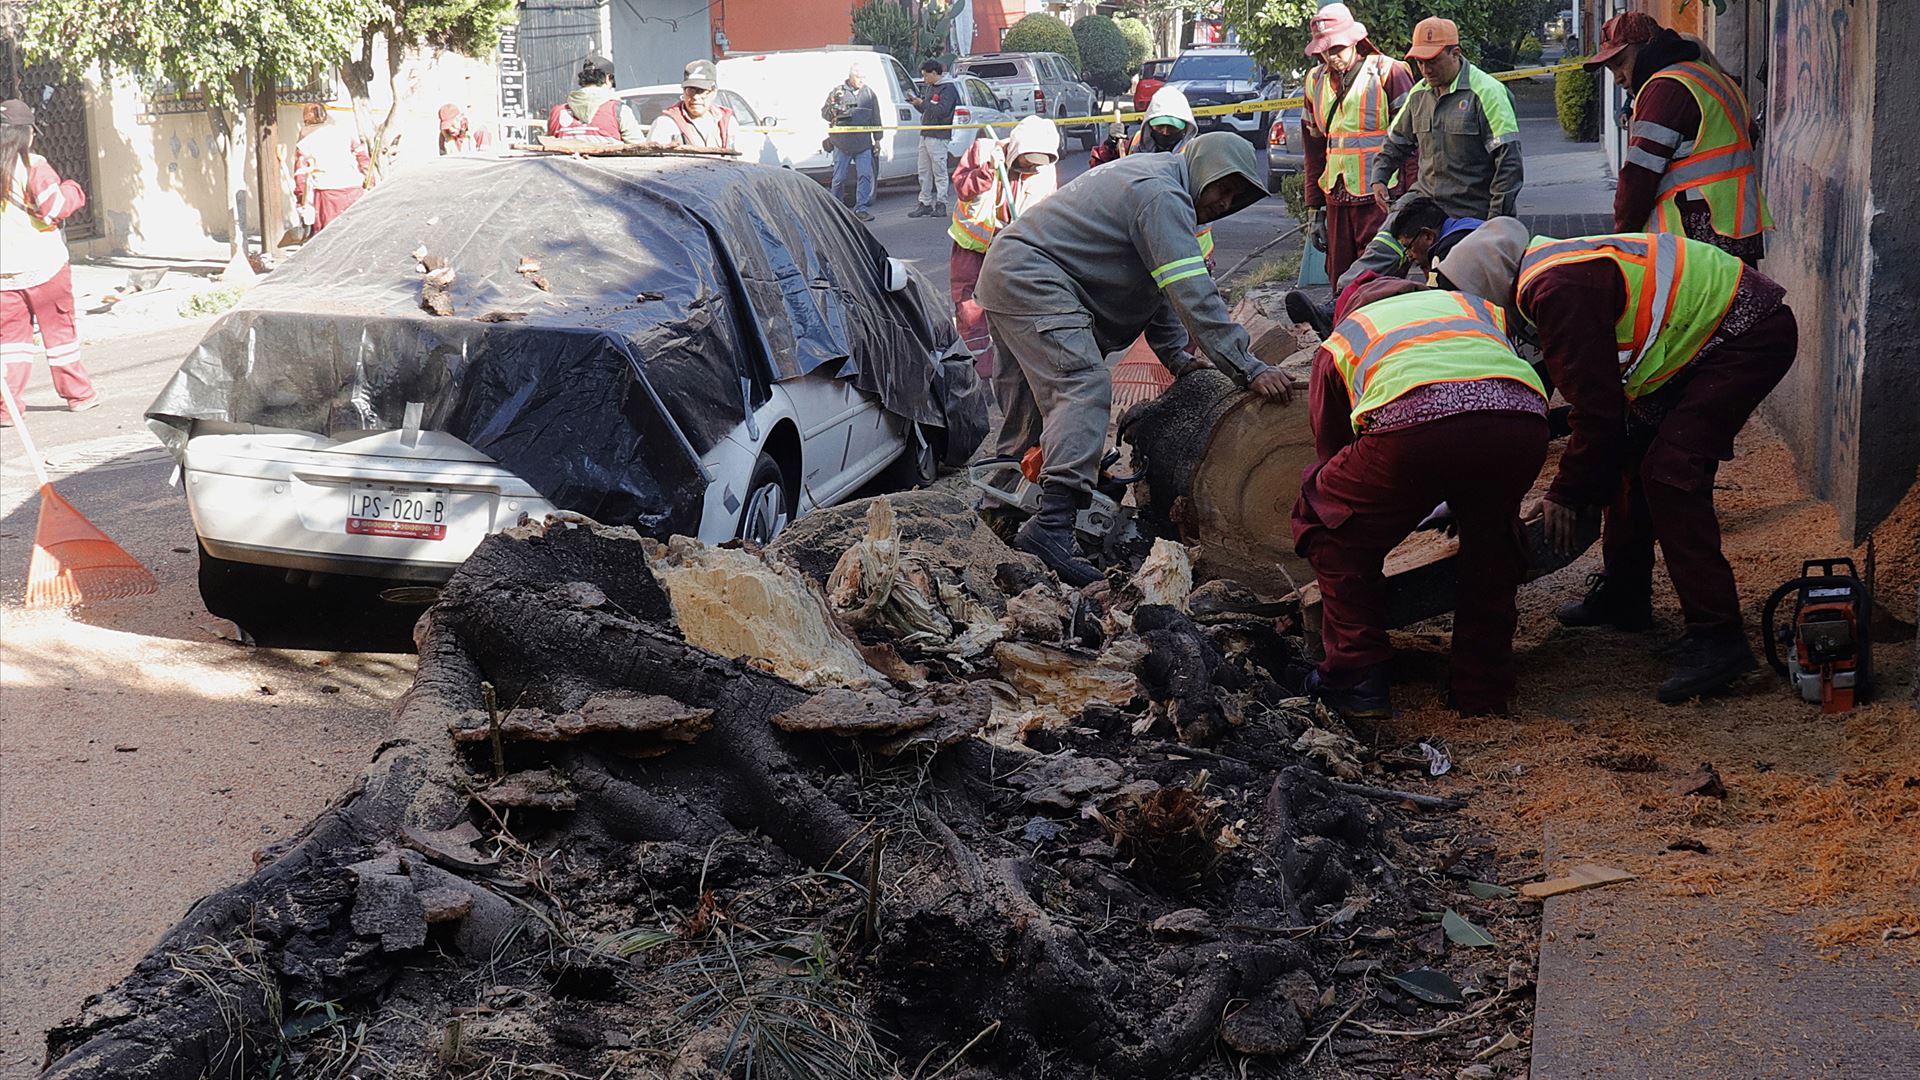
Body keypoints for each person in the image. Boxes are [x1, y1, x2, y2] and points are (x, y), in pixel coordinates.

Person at [1436, 218, 1798, 704]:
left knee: (1671, 476)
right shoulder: (1549, 273)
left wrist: (1566, 492)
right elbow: (1552, 401)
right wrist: (1479, 490)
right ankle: (1627, 595)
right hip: (1709, 340)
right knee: (1631, 461)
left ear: (1487, 290)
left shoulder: (1555, 288)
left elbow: (1596, 411)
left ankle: (1719, 638)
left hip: (1744, 336)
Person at [974, 132, 1294, 584]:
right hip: (1031, 277)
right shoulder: (1162, 195)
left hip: (1009, 273)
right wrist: (1248, 366)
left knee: (1027, 413)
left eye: (1237, 197)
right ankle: (1052, 528)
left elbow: (1158, 287)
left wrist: (1177, 359)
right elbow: (1190, 293)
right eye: (1224, 187)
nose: (1225, 202)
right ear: (1202, 168)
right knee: (1082, 386)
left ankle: (999, 518)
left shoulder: (1158, 184)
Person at [1293, 277, 1549, 719]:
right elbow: (1480, 395)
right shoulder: (1469, 306)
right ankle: (1481, 688)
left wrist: (1388, 508)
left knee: (1324, 517)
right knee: (1492, 538)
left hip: (1413, 425)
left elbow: (1333, 454)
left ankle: (1356, 678)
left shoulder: (1345, 337)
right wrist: (1452, 490)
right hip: (1523, 421)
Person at [1587, 12, 1771, 264]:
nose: (1618, 77)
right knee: (1740, 301)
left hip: (1696, 237)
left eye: (1620, 63)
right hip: (1736, 232)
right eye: (1611, 69)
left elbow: (1638, 176)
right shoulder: (1712, 79)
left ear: (1647, 46)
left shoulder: (1666, 88)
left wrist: (1622, 240)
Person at [1300, 3, 1418, 286]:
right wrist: (1314, 211)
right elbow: (1313, 150)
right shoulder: (1315, 81)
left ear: (1355, 41)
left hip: (1382, 198)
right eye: (1324, 51)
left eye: (1337, 49)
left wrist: (1413, 199)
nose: (1331, 57)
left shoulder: (1389, 72)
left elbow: (1414, 144)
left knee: (1378, 281)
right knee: (1340, 281)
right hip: (1336, 198)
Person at [0, 98, 97, 422]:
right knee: (59, 335)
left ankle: (8, 407)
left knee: (11, 342)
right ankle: (78, 394)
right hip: (44, 266)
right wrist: (73, 189)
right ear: (26, 133)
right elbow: (54, 207)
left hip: (4, 274)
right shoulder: (33, 166)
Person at [1371, 17, 1523, 222]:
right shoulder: (1419, 94)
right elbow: (1395, 143)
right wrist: (1379, 177)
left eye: (1433, 61)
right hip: (1426, 205)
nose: (1425, 70)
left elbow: (1509, 164)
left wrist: (1495, 222)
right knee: (1382, 248)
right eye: (1420, 62)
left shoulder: (1488, 92)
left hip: (1472, 213)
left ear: (1455, 54)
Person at [950, 115, 1060, 378]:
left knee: (1014, 304)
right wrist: (985, 172)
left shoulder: (1045, 171)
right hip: (972, 247)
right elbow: (962, 187)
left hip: (1013, 247)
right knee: (970, 308)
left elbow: (1049, 212)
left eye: (1038, 164)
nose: (1033, 168)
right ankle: (978, 371)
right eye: (1028, 162)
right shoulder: (984, 151)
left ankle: (1013, 366)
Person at [1285, 195, 1479, 337]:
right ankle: (1339, 307)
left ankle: (1342, 311)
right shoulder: (1467, 227)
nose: (1409, 257)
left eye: (1408, 248)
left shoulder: (1449, 252)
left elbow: (1440, 305)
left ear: (1428, 236)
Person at [293, 104, 371, 233]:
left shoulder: (305, 139)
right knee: (357, 233)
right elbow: (362, 157)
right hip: (354, 189)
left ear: (306, 120)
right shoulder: (342, 131)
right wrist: (367, 178)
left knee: (328, 237)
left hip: (327, 193)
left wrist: (301, 198)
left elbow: (300, 173)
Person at [822, 63, 881, 221]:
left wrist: (878, 140)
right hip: (842, 143)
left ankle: (861, 208)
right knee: (839, 177)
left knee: (865, 175)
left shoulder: (869, 94)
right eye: (858, 77)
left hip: (863, 143)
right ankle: (837, 207)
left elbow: (876, 118)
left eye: (863, 77)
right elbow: (825, 113)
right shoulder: (838, 92)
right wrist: (834, 109)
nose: (862, 81)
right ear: (851, 77)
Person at [545, 54, 644, 143]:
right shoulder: (618, 110)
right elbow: (638, 146)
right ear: (608, 78)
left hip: (563, 163)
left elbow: (550, 146)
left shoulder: (557, 113)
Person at [1089, 84, 1196, 165]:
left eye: (1172, 127)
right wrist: (1110, 145)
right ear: (1149, 125)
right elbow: (1098, 171)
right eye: (1159, 126)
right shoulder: (1134, 146)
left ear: (1185, 128)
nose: (1165, 132)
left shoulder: (1194, 152)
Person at [908, 59, 959, 218]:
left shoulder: (948, 89)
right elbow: (928, 108)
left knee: (939, 170)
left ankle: (941, 203)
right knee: (924, 170)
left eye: (926, 75)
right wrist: (917, 103)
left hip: (939, 135)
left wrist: (923, 103)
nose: (924, 79)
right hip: (926, 133)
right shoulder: (931, 87)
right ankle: (925, 202)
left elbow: (942, 110)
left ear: (935, 73)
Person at [646, 60, 735, 150]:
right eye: (690, 90)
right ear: (684, 92)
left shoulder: (727, 121)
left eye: (702, 91)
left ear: (714, 92)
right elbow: (654, 160)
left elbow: (739, 158)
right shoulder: (666, 123)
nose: (695, 97)